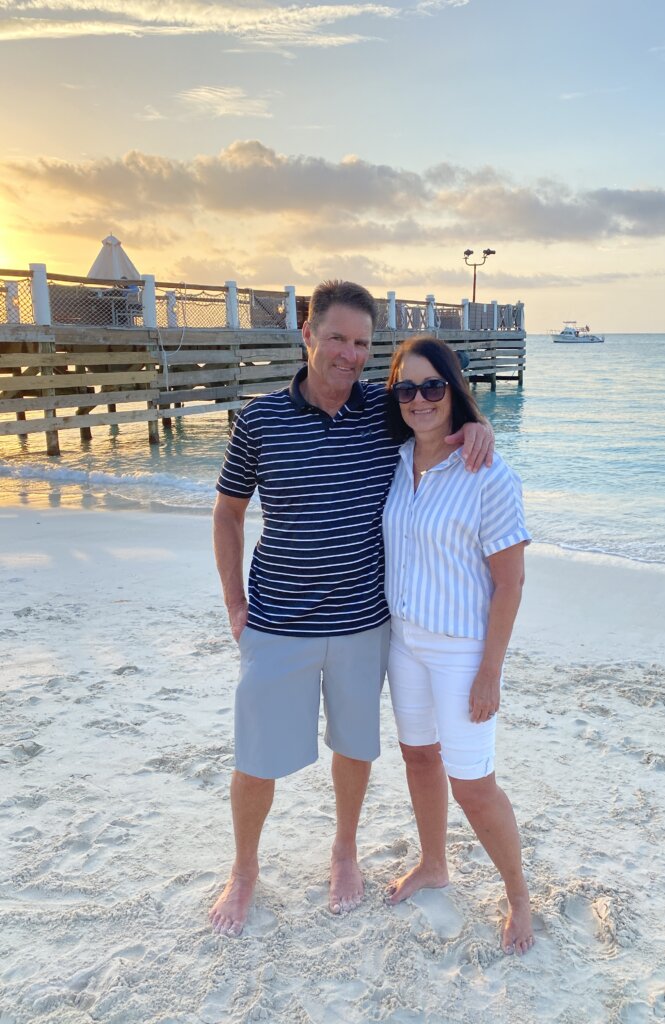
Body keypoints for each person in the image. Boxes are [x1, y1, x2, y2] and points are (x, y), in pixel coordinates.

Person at [209, 281, 494, 937]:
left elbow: (439, 417)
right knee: (255, 759)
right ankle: (245, 869)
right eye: (336, 337)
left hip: (366, 624)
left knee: (355, 749)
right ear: (307, 334)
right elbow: (227, 512)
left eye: (362, 342)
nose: (349, 353)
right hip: (277, 622)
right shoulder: (259, 419)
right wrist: (234, 602)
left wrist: (480, 430)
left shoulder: (383, 408)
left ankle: (344, 850)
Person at [382, 335, 535, 956]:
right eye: (407, 388)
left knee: (472, 782)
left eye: (433, 386)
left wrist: (489, 672)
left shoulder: (487, 472)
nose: (419, 399)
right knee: (418, 757)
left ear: (454, 390)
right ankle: (434, 864)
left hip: (461, 650)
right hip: (403, 641)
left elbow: (510, 581)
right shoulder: (391, 459)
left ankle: (519, 893)